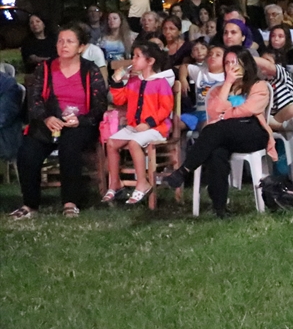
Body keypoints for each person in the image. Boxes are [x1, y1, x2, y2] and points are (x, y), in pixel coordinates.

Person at [163, 47, 277, 218]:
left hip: (252, 132)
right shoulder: (218, 89)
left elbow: (249, 110)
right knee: (217, 152)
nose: (231, 67)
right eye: (227, 63)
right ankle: (220, 208)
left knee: (213, 129)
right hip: (225, 135)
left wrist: (226, 114)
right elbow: (214, 112)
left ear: (245, 65)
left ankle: (183, 170)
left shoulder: (258, 86)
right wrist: (228, 84)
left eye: (235, 63)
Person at [11, 24, 108, 219]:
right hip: (50, 122)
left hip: (80, 123)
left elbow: (100, 105)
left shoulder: (90, 70)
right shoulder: (44, 69)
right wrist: (47, 118)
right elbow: (35, 100)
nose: (63, 45)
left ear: (81, 47)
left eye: (70, 42)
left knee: (69, 147)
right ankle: (30, 204)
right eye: (60, 41)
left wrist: (80, 120)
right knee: (28, 152)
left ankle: (70, 202)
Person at [101, 42, 176, 205]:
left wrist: (149, 123)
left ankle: (142, 183)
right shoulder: (134, 81)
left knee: (134, 143)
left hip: (157, 127)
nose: (132, 60)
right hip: (135, 126)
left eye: (137, 56)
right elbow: (120, 100)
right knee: (112, 143)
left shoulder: (161, 83)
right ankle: (115, 183)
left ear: (150, 61)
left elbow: (166, 108)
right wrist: (117, 83)